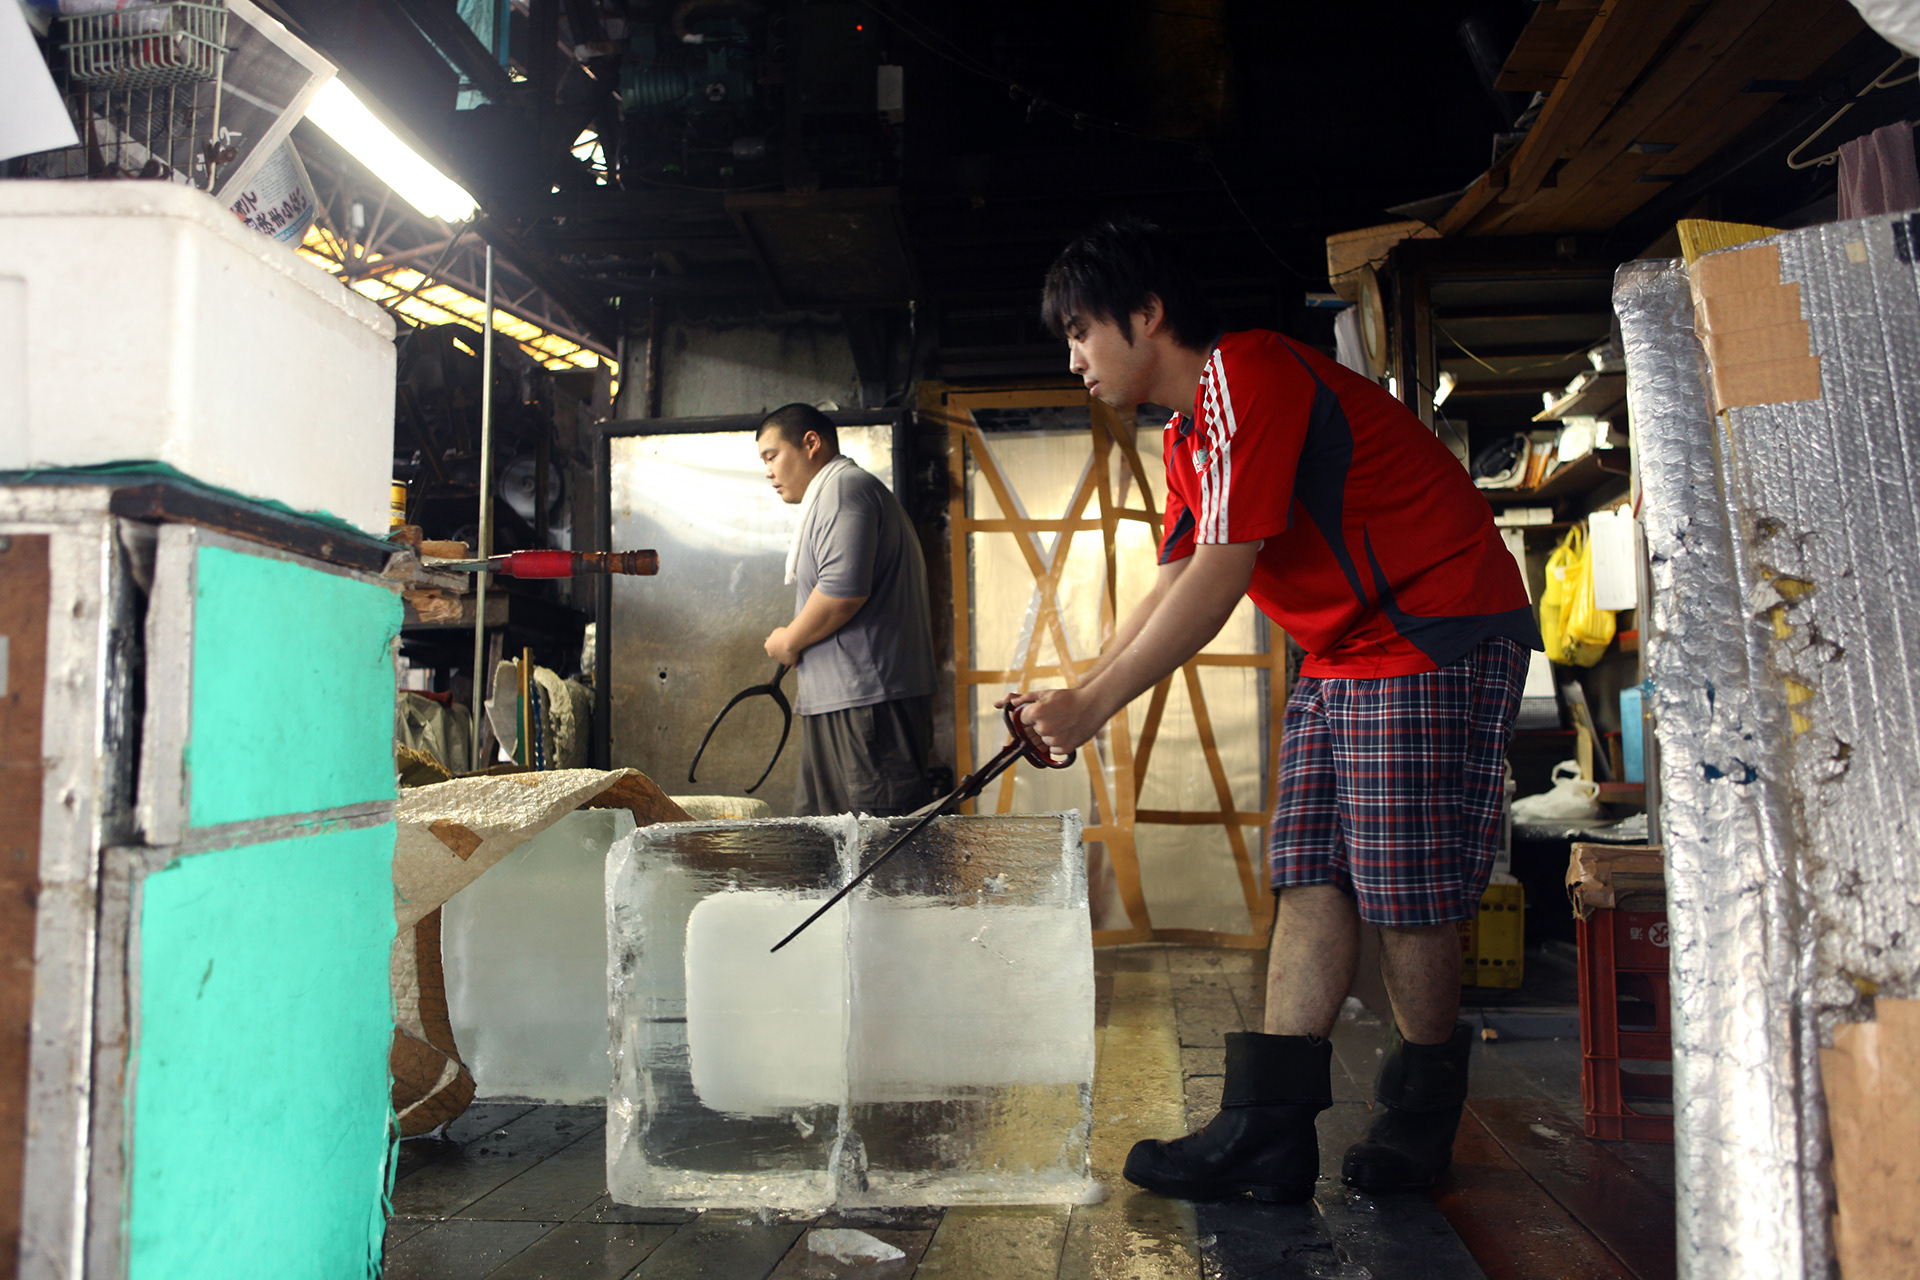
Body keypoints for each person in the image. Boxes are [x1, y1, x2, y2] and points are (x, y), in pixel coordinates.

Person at [1008, 217, 1540, 1203]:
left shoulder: (1250, 372)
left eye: (1082, 329)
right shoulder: (1183, 437)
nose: (1073, 355)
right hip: (1344, 647)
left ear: (1149, 313)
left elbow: (1219, 580)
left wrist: (1088, 703)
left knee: (1403, 891)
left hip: (1433, 619)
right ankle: (1268, 1131)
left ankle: (1418, 1122)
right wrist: (1075, 690)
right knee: (1311, 873)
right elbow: (1168, 586)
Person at [757, 403, 937, 817]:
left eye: (772, 456)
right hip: (843, 702)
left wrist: (788, 639)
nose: (768, 471)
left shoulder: (845, 490)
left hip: (867, 706)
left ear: (811, 444)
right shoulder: (832, 496)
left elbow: (841, 593)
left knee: (878, 852)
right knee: (827, 851)